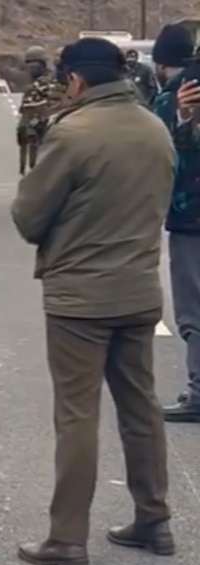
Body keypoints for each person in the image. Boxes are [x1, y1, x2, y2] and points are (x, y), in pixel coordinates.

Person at [11, 38, 176, 565]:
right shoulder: (157, 129)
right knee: (141, 408)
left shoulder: (72, 134)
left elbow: (29, 218)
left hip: (79, 299)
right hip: (139, 291)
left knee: (78, 416)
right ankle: (154, 519)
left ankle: (67, 540)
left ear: (76, 81)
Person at [150, 24, 200, 422]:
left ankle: (199, 392)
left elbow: (160, 155)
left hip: (191, 218)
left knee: (193, 310)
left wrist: (181, 118)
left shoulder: (169, 101)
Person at [16, 46, 62, 176]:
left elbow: (56, 103)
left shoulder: (50, 82)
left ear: (43, 65)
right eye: (29, 65)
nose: (32, 68)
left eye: (35, 65)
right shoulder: (31, 84)